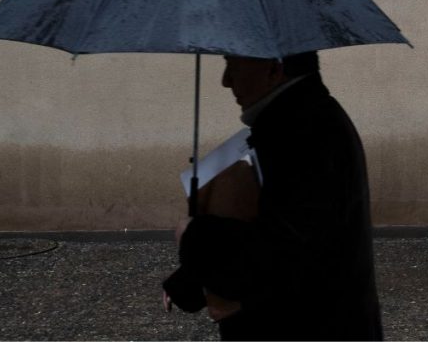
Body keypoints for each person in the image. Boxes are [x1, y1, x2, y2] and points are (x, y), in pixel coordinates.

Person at [162, 51, 383, 340]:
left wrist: (193, 235)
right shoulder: (298, 121)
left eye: (232, 65)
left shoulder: (302, 133)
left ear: (274, 68)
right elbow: (279, 229)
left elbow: (279, 253)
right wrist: (187, 283)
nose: (225, 81)